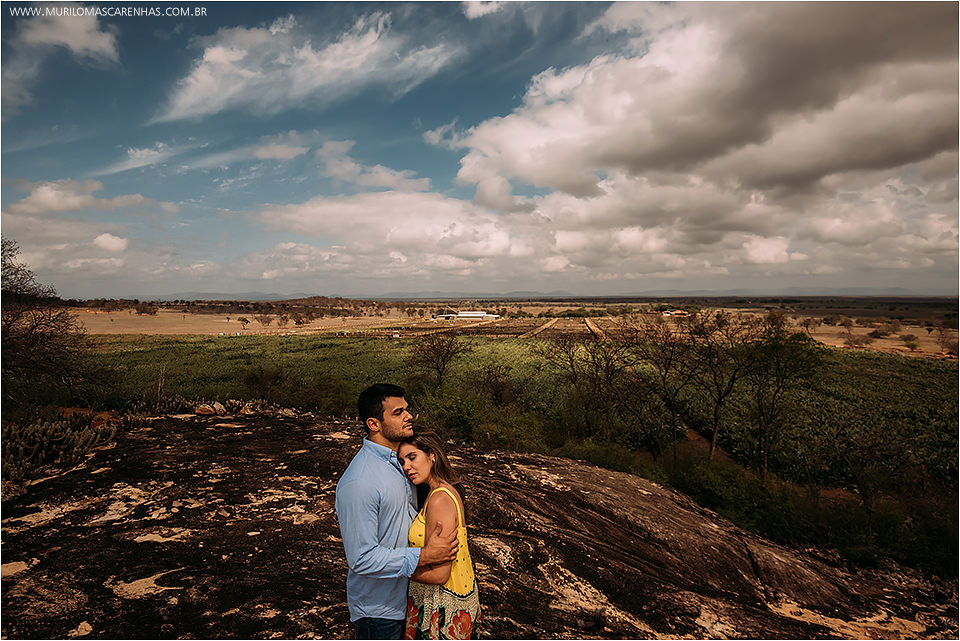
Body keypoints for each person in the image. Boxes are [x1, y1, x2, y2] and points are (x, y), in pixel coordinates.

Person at [336, 384, 459, 640]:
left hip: (411, 600)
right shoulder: (360, 480)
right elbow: (361, 558)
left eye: (407, 409)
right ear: (374, 424)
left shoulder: (402, 463)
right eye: (398, 412)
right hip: (379, 611)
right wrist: (422, 556)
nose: (409, 416)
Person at [398, 429, 481, 640]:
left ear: (432, 455)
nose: (407, 466)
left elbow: (440, 574)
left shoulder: (439, 499)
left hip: (442, 605)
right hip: (455, 598)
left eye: (412, 457)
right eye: (402, 461)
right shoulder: (445, 490)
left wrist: (396, 572)